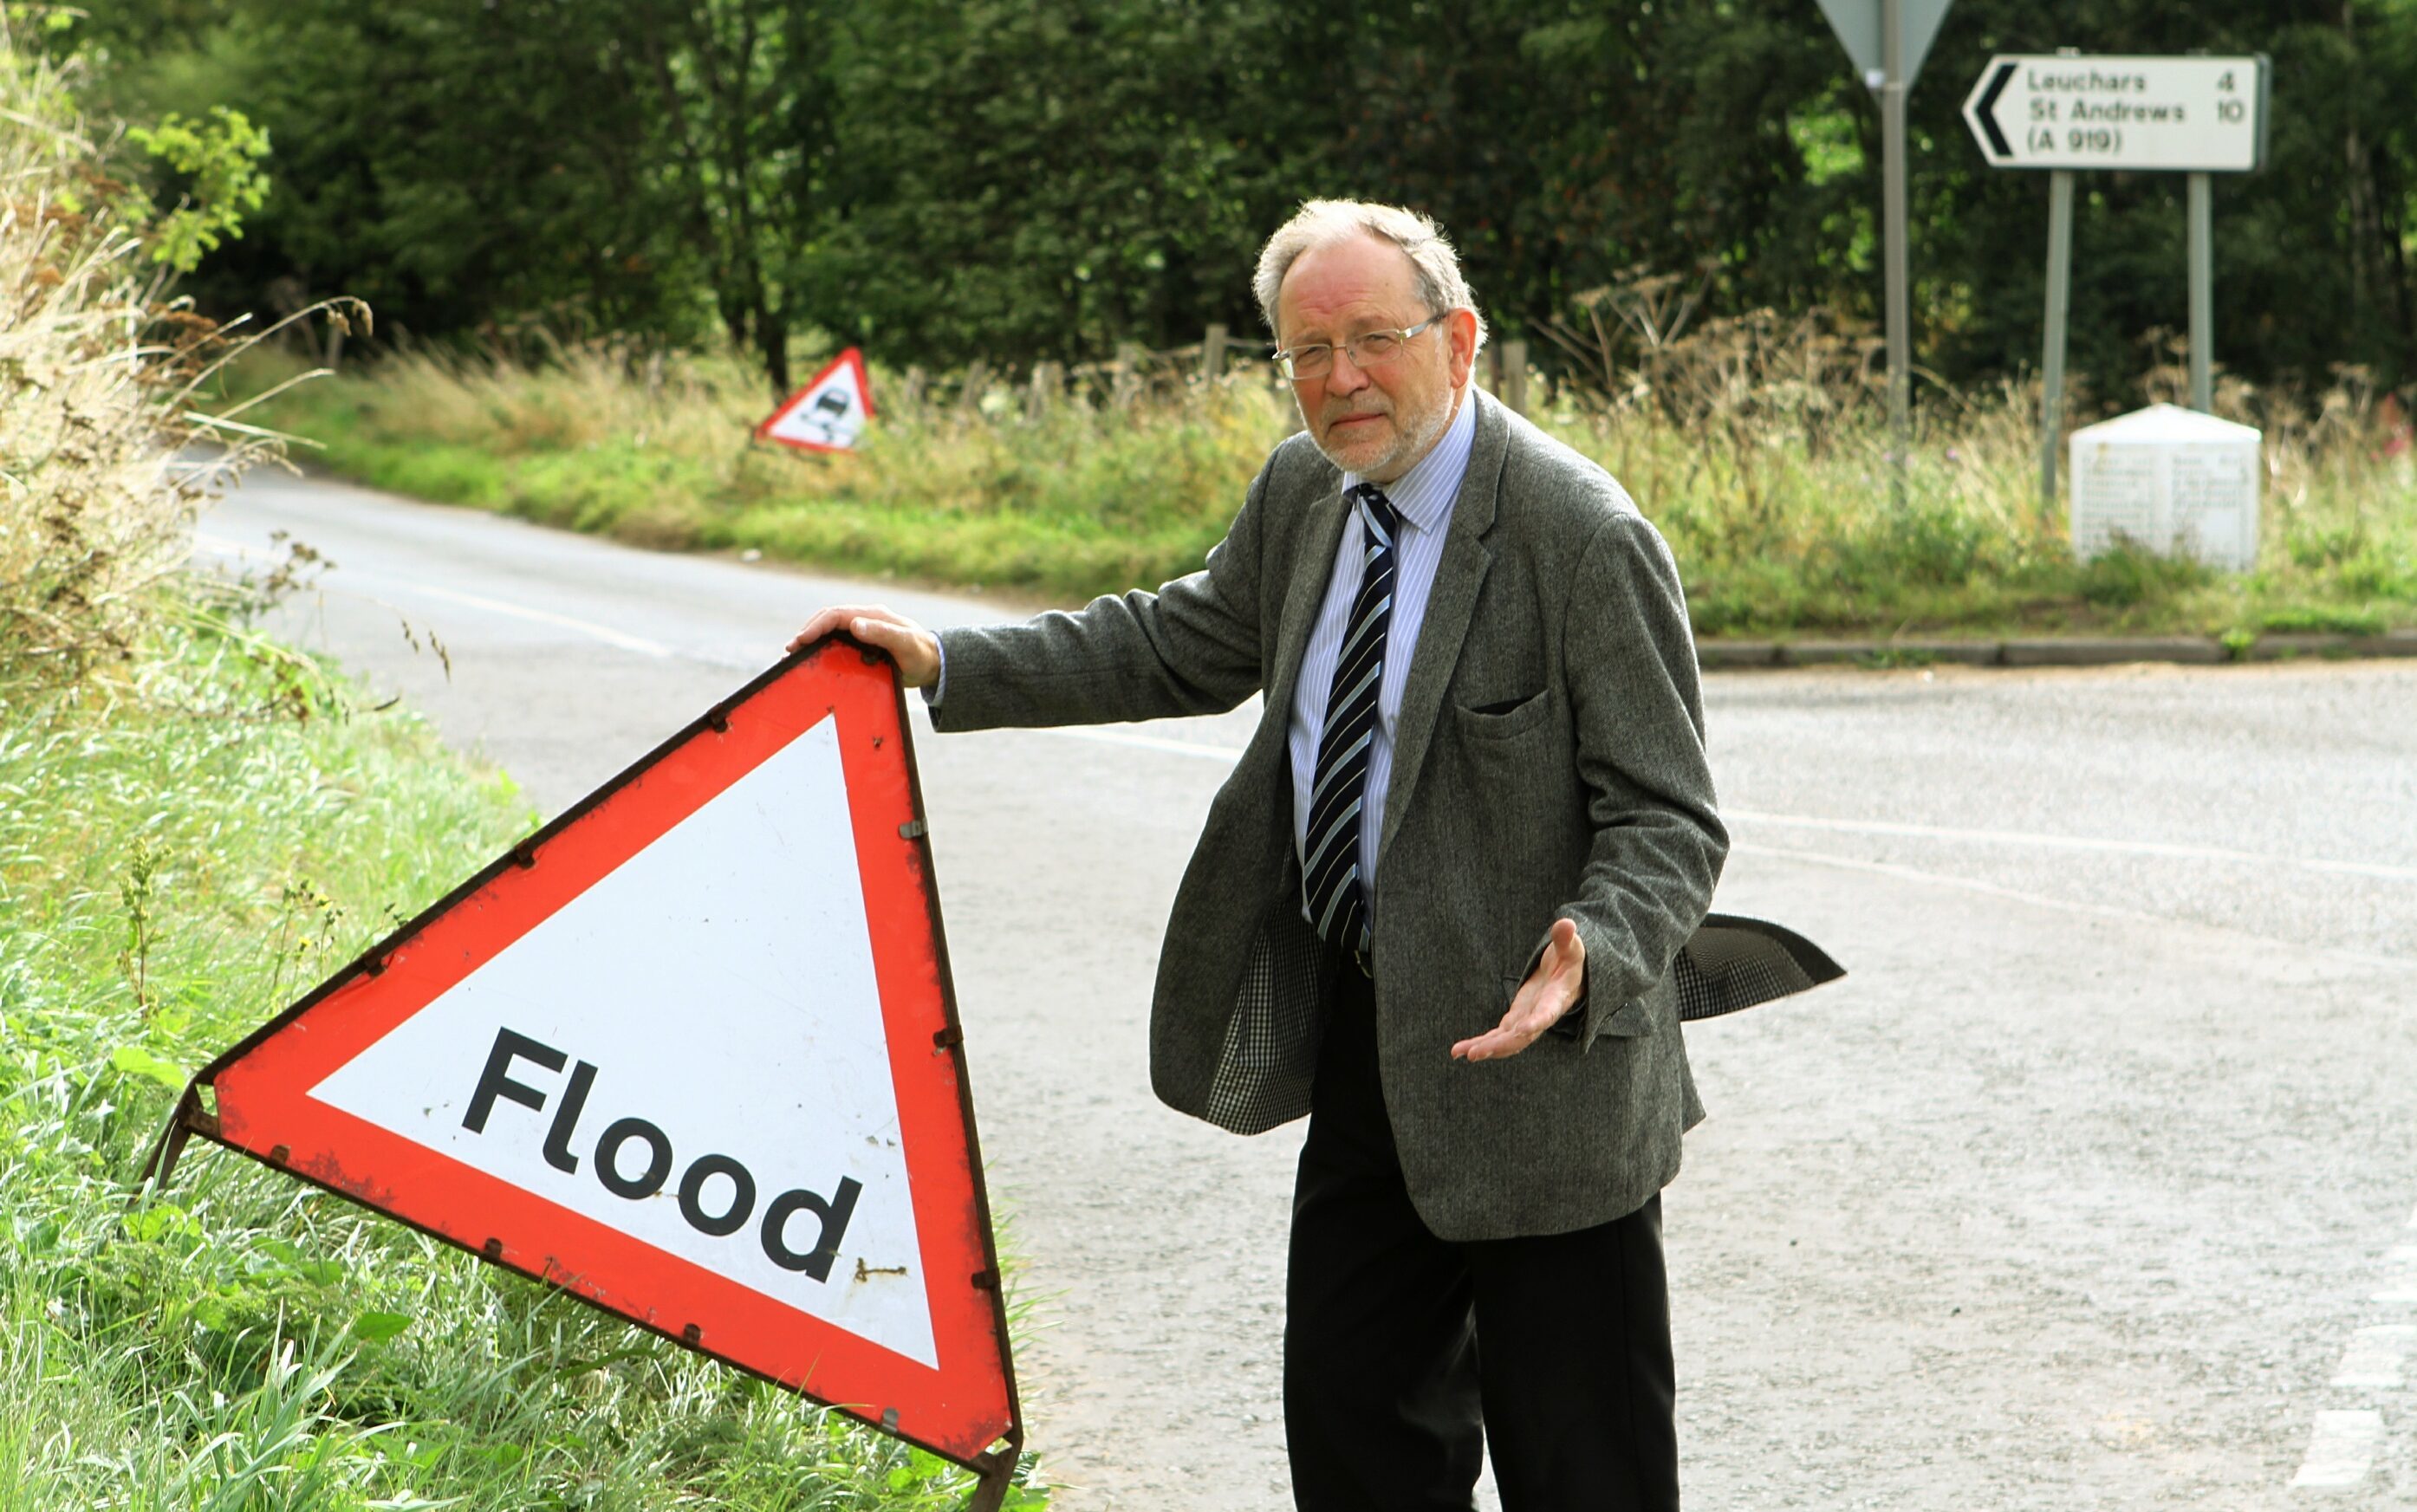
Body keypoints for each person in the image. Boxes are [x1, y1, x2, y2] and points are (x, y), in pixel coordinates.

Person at [789, 199, 1725, 1512]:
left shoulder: (1580, 535)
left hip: (1550, 1080)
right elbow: (1174, 640)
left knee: (1587, 1471)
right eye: (1304, 350)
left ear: (1458, 341)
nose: (1339, 377)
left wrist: (1597, 945)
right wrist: (943, 662)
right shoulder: (1304, 493)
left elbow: (1668, 812)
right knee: (1354, 1444)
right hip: (1369, 1046)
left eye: (1371, 339)